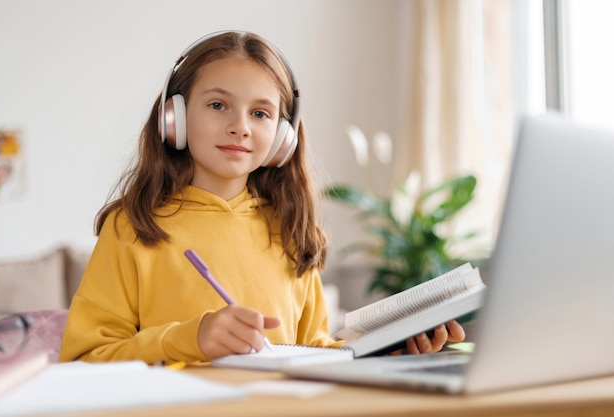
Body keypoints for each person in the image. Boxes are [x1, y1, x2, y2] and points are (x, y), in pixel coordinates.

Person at [58, 31, 464, 364]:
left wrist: (387, 351)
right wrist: (188, 339)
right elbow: (84, 359)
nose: (240, 127)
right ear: (174, 117)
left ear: (283, 137)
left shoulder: (290, 228)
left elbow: (314, 352)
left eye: (260, 113)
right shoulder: (133, 227)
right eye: (218, 105)